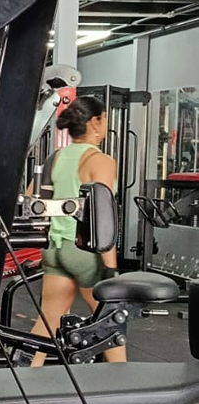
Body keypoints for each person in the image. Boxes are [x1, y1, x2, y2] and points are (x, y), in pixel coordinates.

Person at [29, 96, 127, 366]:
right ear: (95, 122)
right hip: (85, 252)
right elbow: (102, 218)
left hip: (55, 249)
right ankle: (125, 380)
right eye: (105, 118)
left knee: (47, 323)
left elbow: (32, 199)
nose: (106, 124)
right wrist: (111, 268)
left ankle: (25, 372)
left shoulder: (56, 157)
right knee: (111, 323)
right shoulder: (101, 160)